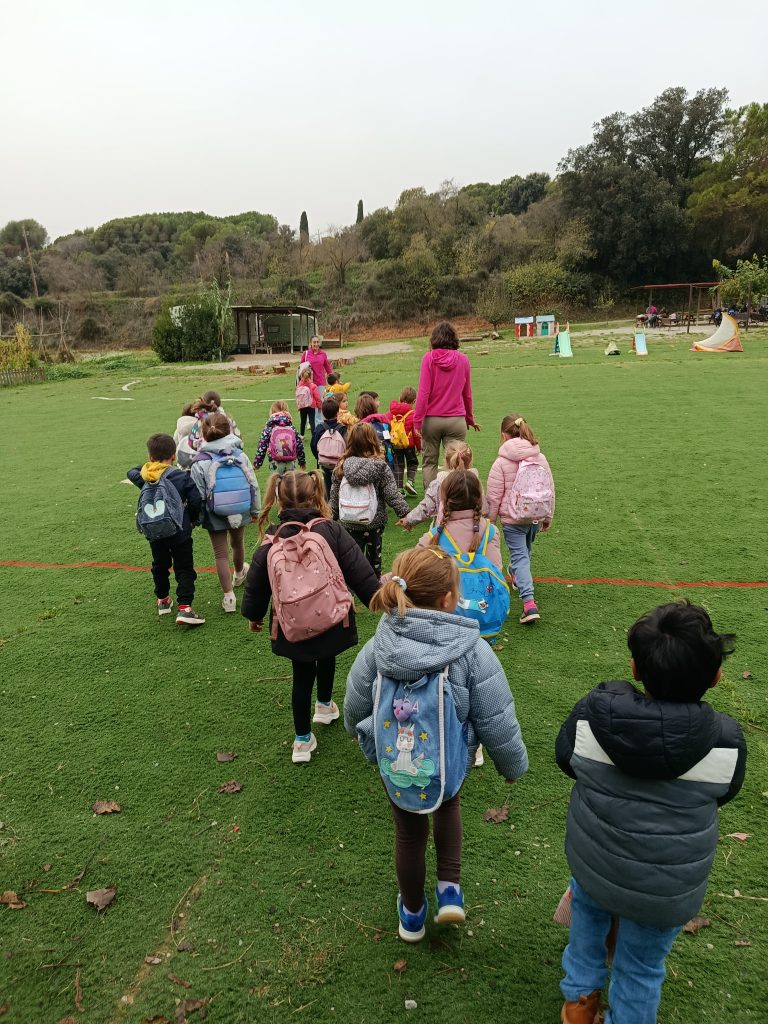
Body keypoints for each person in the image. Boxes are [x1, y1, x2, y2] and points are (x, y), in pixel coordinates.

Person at [555, 601, 745, 1024]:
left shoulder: (591, 717)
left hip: (596, 866)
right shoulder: (726, 743)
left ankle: (579, 1005)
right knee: (640, 967)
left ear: (635, 669)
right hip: (667, 888)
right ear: (716, 677)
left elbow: (565, 759)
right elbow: (726, 792)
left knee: (587, 925)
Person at [344, 546, 528, 942]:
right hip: (449, 759)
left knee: (408, 834)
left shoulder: (380, 643)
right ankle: (449, 890)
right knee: (449, 808)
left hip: (394, 761)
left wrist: (359, 734)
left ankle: (411, 914)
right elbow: (496, 714)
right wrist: (512, 766)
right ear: (449, 599)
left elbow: (356, 696)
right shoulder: (471, 649)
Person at [242, 470, 380, 763]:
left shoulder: (271, 542)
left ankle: (302, 741)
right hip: (330, 617)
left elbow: (256, 584)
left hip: (292, 623)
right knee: (326, 655)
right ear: (316, 495)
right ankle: (324, 704)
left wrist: (253, 616)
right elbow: (358, 568)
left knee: (301, 675)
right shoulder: (330, 530)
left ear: (279, 502)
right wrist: (374, 597)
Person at [127, 432, 205, 626]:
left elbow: (131, 471)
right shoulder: (180, 477)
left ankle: (163, 600)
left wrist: (148, 466)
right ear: (174, 456)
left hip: (155, 531)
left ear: (150, 457)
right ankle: (185, 607)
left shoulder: (145, 476)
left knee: (159, 564)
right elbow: (196, 500)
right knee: (184, 567)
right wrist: (194, 520)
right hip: (180, 531)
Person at [486, 414, 554, 624]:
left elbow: (494, 495)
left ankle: (529, 603)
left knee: (520, 557)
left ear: (503, 435)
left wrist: (491, 520)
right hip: (534, 516)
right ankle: (517, 576)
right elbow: (550, 487)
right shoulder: (539, 457)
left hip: (512, 518)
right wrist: (548, 515)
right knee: (526, 551)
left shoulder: (501, 462)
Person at [190, 413, 261, 613]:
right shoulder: (240, 455)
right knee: (237, 543)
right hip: (241, 508)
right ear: (229, 429)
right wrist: (255, 510)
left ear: (203, 433)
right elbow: (253, 485)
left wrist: (199, 517)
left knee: (220, 553)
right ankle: (239, 574)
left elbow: (199, 494)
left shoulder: (200, 461)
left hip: (215, 512)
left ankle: (229, 598)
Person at [330, 423, 409, 579]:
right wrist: (405, 514)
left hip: (348, 521)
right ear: (373, 440)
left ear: (350, 441)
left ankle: (349, 591)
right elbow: (392, 494)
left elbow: (334, 495)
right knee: (374, 559)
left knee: (350, 558)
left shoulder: (341, 466)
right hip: (374, 522)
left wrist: (330, 516)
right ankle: (373, 588)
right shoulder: (380, 467)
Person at [413, 321, 479, 489]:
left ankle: (433, 505)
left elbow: (423, 393)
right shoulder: (463, 360)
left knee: (430, 463)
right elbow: (467, 394)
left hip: (431, 420)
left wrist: (417, 422)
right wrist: (469, 418)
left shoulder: (428, 359)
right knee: (456, 462)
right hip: (456, 420)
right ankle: (455, 501)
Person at [399, 440, 481, 531]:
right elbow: (483, 507)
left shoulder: (439, 483)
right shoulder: (476, 482)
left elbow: (426, 506)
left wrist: (409, 519)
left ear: (446, 460)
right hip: (472, 531)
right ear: (470, 461)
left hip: (444, 532)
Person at [253, 400, 306, 477]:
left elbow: (262, 446)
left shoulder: (269, 428)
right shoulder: (291, 427)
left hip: (275, 462)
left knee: (276, 484)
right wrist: (302, 461)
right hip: (290, 461)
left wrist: (257, 463)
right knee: (289, 484)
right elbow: (299, 445)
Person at [311, 397, 348, 497]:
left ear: (323, 413)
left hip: (325, 463)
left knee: (328, 485)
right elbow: (348, 446)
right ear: (337, 412)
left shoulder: (319, 428)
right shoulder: (343, 429)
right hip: (339, 464)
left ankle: (330, 505)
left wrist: (318, 456)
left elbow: (313, 445)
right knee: (340, 485)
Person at [388, 386, 420, 495]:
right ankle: (410, 482)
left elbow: (387, 426)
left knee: (399, 466)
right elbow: (416, 433)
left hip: (396, 444)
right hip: (409, 444)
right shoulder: (413, 414)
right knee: (413, 463)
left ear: (400, 398)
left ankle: (399, 489)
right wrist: (419, 447)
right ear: (414, 401)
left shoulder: (391, 413)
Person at [296, 365, 322, 436]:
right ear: (310, 376)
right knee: (312, 422)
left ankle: (301, 435)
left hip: (302, 406)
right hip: (311, 405)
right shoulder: (313, 386)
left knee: (303, 421)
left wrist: (298, 406)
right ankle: (313, 436)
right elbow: (317, 398)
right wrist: (319, 406)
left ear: (301, 376)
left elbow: (298, 397)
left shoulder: (299, 385)